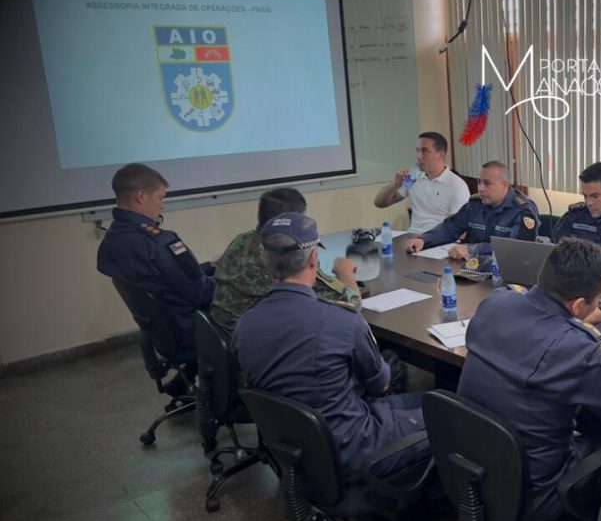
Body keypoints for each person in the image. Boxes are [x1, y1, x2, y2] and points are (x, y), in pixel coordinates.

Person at [458, 238, 601, 521]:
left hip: (473, 470)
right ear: (577, 305)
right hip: (537, 494)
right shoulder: (578, 349)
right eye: (599, 301)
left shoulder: (496, 302)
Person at [231, 212, 430, 487]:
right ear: (314, 259)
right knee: (450, 415)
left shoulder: (244, 325)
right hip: (355, 449)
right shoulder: (342, 321)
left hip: (298, 451)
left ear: (265, 260)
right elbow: (381, 384)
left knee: (428, 401)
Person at [97, 163, 215, 393]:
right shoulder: (160, 242)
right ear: (141, 196)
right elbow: (200, 293)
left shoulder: (112, 238)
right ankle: (232, 397)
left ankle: (183, 381)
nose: (163, 203)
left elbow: (162, 279)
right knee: (247, 307)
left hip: (162, 330)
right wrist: (232, 278)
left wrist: (209, 267)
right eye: (160, 197)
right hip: (188, 328)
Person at [210, 187, 361, 333]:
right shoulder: (284, 258)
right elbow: (351, 306)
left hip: (231, 336)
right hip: (268, 345)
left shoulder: (241, 240)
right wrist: (345, 272)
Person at [404, 161, 539, 261]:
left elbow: (516, 249)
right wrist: (423, 240)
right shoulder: (476, 204)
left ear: (504, 185)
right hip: (471, 270)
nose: (480, 188)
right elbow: (450, 228)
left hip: (503, 275)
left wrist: (472, 250)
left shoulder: (522, 210)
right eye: (479, 182)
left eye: (487, 183)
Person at [373, 131, 470, 234]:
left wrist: (426, 240)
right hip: (412, 236)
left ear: (440, 155)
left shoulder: (457, 185)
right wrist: (395, 184)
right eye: (418, 151)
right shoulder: (414, 176)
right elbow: (380, 203)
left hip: (439, 240)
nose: (418, 156)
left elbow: (460, 230)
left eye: (424, 151)